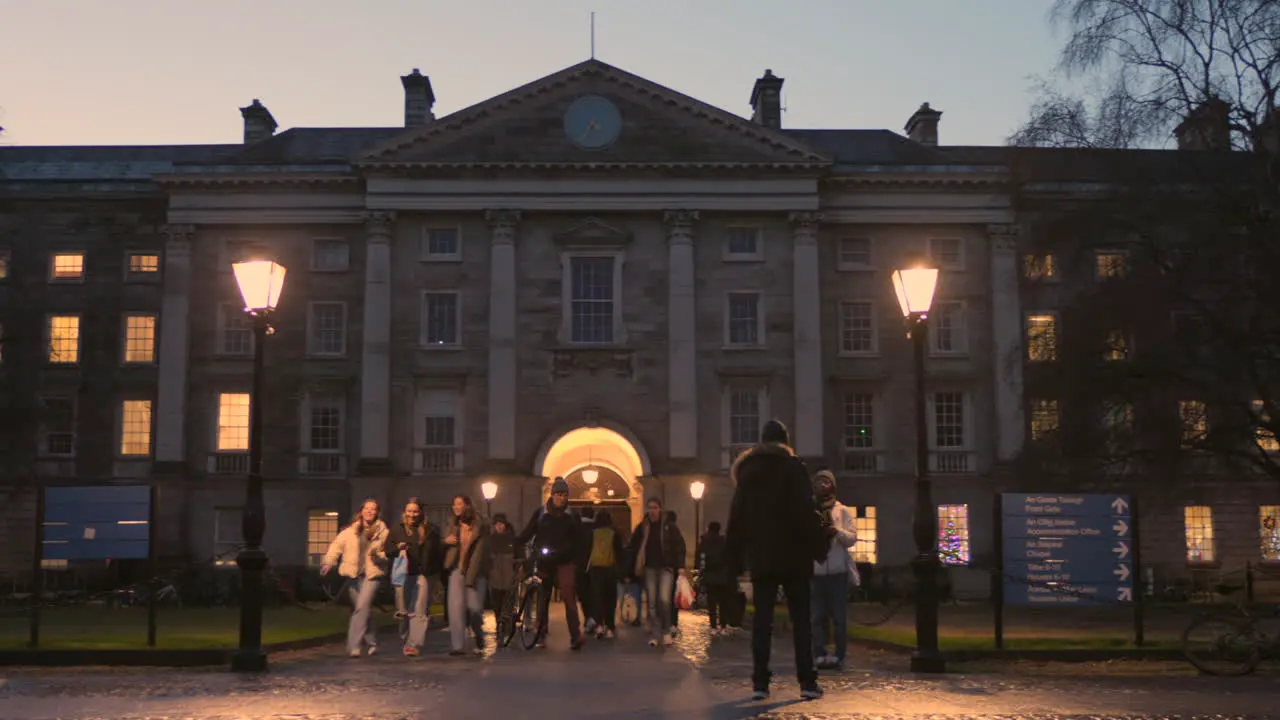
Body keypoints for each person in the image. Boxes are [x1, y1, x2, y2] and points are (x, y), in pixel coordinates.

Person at [726, 419, 825, 701]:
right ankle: (807, 681)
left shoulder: (748, 473)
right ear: (785, 441)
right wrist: (818, 547)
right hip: (794, 555)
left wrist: (733, 560)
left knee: (762, 621)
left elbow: (738, 518)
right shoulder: (795, 468)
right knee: (801, 622)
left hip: (763, 555)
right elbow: (807, 512)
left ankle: (760, 683)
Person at [515, 477, 588, 650]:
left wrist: (577, 559)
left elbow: (580, 540)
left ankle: (575, 634)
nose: (562, 498)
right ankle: (541, 632)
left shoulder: (572, 515)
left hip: (565, 561)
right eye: (558, 494)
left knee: (569, 595)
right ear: (552, 495)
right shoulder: (541, 514)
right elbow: (528, 532)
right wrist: (517, 544)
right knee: (543, 597)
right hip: (544, 562)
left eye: (564, 495)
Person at [321, 498, 389, 658]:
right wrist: (328, 562)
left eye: (373, 509)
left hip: (372, 574)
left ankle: (354, 646)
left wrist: (379, 556)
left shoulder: (383, 532)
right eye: (367, 508)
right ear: (361, 511)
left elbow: (388, 554)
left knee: (360, 608)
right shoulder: (349, 531)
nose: (369, 512)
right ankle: (372, 642)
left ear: (377, 512)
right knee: (362, 610)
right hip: (353, 575)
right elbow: (336, 548)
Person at [811, 469, 858, 670]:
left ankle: (839, 654)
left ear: (833, 485)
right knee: (817, 616)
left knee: (839, 617)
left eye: (826, 482)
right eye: (818, 481)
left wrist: (836, 532)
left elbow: (852, 538)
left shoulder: (842, 511)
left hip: (838, 571)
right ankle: (819, 652)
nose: (822, 485)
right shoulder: (809, 510)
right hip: (816, 571)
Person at [384, 497, 443, 657]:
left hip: (423, 574)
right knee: (403, 611)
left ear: (421, 512)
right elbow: (387, 551)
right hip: (402, 575)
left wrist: (437, 576)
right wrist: (397, 548)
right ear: (405, 512)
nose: (412, 514)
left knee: (419, 610)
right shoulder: (397, 529)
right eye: (409, 511)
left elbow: (438, 553)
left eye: (415, 511)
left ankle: (413, 644)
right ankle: (405, 637)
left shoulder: (431, 530)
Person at [626, 497, 685, 648]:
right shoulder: (643, 527)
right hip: (649, 568)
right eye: (650, 508)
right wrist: (629, 569)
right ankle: (655, 634)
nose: (652, 511)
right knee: (652, 603)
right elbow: (633, 546)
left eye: (655, 508)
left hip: (666, 567)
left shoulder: (669, 527)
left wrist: (681, 566)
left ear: (660, 509)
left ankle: (666, 631)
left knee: (664, 600)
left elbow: (679, 546)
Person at [442, 494, 491, 656]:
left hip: (475, 572)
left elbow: (480, 554)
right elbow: (443, 542)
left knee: (475, 608)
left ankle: (478, 634)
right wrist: (446, 541)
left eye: (459, 504)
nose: (455, 507)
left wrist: (470, 578)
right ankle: (457, 646)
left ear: (467, 506)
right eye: (454, 504)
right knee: (455, 609)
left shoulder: (481, 525)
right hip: (456, 569)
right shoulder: (451, 523)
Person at [586, 510, 625, 639]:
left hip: (595, 568)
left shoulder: (592, 533)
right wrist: (622, 571)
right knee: (610, 598)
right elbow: (619, 552)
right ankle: (610, 625)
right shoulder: (614, 533)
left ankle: (599, 625)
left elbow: (587, 550)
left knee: (597, 598)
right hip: (610, 568)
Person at [698, 521, 732, 635]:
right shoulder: (724, 542)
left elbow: (701, 558)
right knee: (724, 602)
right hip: (723, 575)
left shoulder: (704, 542)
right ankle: (723, 626)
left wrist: (701, 571)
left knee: (711, 602)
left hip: (710, 575)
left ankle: (713, 626)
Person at [488, 513, 517, 621]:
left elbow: (518, 555)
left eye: (501, 524)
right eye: (497, 524)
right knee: (497, 603)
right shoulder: (491, 539)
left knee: (508, 602)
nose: (499, 526)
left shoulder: (512, 539)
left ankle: (507, 624)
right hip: (495, 578)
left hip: (509, 578)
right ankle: (499, 623)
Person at [579, 506, 597, 634]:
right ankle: (595, 619)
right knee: (595, 593)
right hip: (596, 566)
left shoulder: (576, 529)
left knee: (583, 594)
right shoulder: (597, 529)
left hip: (579, 567)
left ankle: (587, 618)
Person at [667, 510, 682, 636]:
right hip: (673, 568)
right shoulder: (676, 530)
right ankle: (672, 622)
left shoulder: (666, 530)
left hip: (665, 568)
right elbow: (681, 549)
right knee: (672, 596)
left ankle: (668, 622)